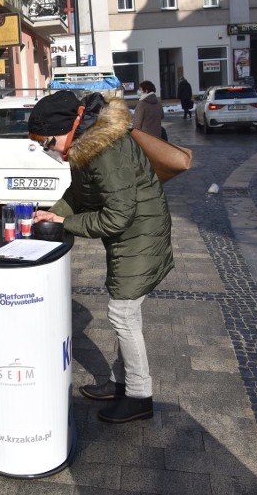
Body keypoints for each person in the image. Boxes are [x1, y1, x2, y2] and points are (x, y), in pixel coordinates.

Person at [29, 92, 174, 424]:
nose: (48, 148)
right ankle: (121, 384)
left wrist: (65, 223)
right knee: (123, 311)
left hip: (140, 236)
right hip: (129, 237)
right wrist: (53, 214)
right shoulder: (85, 145)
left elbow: (117, 217)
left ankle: (139, 397)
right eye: (41, 144)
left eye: (48, 140)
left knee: (123, 314)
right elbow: (77, 194)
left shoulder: (104, 150)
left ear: (70, 125)